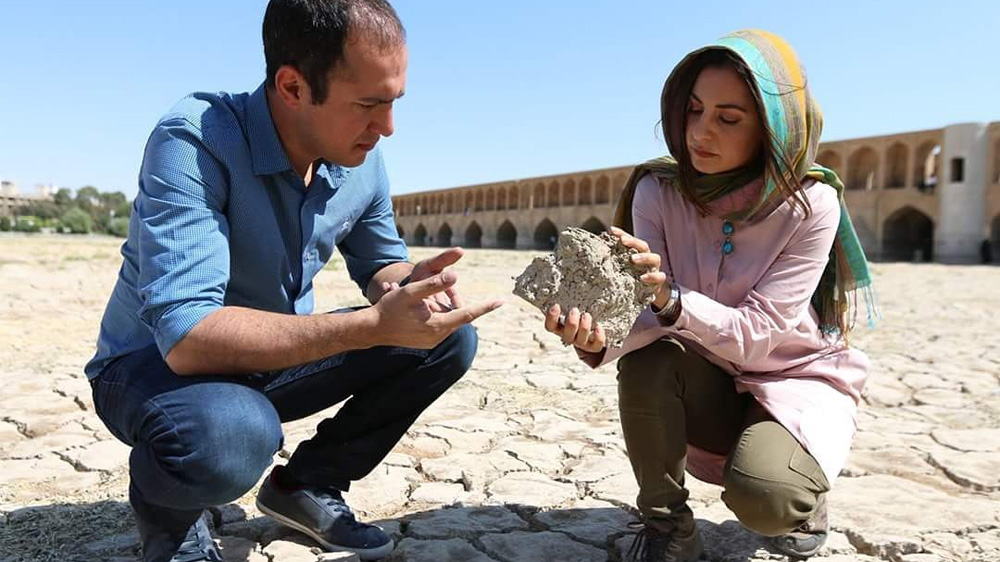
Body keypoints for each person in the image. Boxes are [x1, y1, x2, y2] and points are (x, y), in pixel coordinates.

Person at [84, 1, 501, 560]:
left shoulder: (359, 157)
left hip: (264, 364)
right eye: (369, 105)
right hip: (151, 370)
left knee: (445, 337)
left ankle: (304, 486)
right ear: (292, 86)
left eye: (394, 102)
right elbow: (187, 337)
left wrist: (407, 287)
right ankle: (171, 522)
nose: (388, 128)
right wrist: (372, 327)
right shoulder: (196, 141)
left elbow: (380, 263)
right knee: (234, 434)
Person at [543, 30, 876, 561]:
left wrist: (671, 300)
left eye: (728, 118)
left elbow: (760, 334)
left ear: (771, 126)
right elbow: (647, 314)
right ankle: (666, 527)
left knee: (767, 498)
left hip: (790, 377)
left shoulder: (809, 204)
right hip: (702, 372)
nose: (700, 132)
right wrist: (597, 336)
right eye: (694, 110)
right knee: (649, 358)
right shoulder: (658, 189)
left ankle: (801, 489)